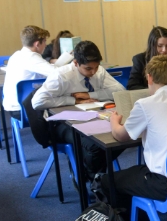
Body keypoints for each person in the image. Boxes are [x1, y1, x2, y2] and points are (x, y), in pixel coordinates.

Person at [103, 55, 167, 220]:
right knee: (138, 172)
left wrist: (114, 121)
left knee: (108, 181)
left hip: (166, 184)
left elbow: (121, 136)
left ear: (149, 78)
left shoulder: (145, 104)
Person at [32, 41, 125, 177]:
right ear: (75, 63)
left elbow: (120, 91)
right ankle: (92, 175)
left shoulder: (98, 70)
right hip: (63, 123)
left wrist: (90, 95)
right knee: (94, 145)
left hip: (93, 117)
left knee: (119, 138)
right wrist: (73, 100)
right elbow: (37, 102)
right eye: (88, 69)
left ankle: (90, 173)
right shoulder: (61, 76)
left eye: (96, 67)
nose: (93, 72)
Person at [3, 25, 73, 117]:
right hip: (24, 109)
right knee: (65, 103)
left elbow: (47, 69)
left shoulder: (17, 55)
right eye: (44, 41)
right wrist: (73, 66)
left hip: (14, 106)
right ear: (37, 44)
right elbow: (57, 73)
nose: (45, 45)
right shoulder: (31, 57)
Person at [127, 26, 167, 91]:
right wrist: (155, 90)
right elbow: (132, 86)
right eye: (160, 46)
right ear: (152, 45)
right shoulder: (140, 60)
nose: (164, 50)